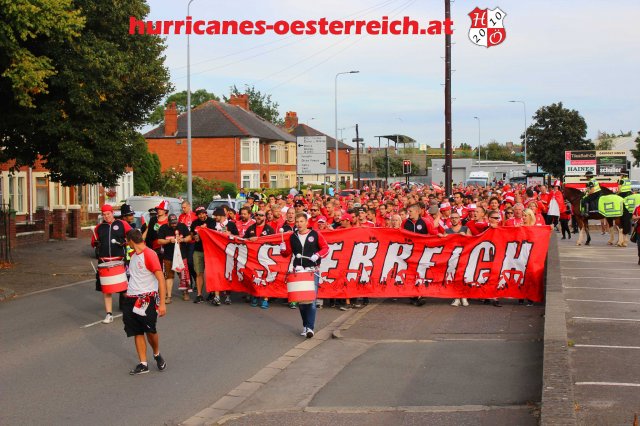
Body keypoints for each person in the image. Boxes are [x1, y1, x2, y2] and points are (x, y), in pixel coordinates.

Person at [123, 229, 167, 375]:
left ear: (131, 241)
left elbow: (161, 279)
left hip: (147, 298)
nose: (126, 243)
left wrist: (162, 304)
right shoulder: (133, 255)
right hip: (131, 298)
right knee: (137, 331)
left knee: (150, 330)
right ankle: (143, 363)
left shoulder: (149, 254)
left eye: (126, 241)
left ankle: (156, 353)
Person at [279, 213, 329, 338]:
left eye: (301, 221)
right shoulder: (292, 237)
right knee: (301, 301)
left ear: (307, 222)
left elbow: (326, 248)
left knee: (311, 300)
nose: (299, 224)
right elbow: (287, 254)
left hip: (312, 271)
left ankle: (310, 328)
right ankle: (305, 325)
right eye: (297, 221)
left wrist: (317, 255)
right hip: (298, 270)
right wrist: (282, 249)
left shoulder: (315, 234)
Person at [91, 204, 132, 324]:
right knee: (106, 290)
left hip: (119, 261)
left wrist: (125, 242)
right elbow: (93, 243)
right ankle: (109, 314)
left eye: (108, 214)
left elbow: (132, 237)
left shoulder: (122, 224)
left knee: (124, 289)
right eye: (104, 215)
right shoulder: (99, 228)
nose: (106, 216)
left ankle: (131, 310)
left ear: (112, 213)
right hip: (104, 262)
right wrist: (96, 244)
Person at [157, 214, 192, 303]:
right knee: (169, 276)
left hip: (181, 255)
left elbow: (189, 237)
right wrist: (169, 241)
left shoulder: (182, 226)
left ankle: (185, 292)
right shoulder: (163, 228)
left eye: (175, 223)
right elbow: (159, 240)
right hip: (168, 256)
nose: (174, 225)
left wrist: (183, 240)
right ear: (168, 222)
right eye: (172, 223)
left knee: (183, 275)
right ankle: (168, 296)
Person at [245, 210, 275, 309]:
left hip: (265, 258)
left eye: (261, 215)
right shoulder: (250, 228)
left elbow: (274, 242)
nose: (258, 217)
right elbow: (243, 240)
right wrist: (249, 239)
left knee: (266, 277)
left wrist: (257, 239)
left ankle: (265, 299)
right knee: (254, 276)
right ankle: (255, 295)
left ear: (265, 217)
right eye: (257, 215)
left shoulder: (270, 229)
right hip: (253, 257)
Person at [190, 206, 216, 303]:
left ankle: (212, 293)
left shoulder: (211, 222)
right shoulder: (194, 223)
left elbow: (214, 234)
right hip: (198, 250)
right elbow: (192, 235)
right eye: (199, 214)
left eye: (202, 213)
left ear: (206, 213)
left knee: (210, 273)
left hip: (210, 250)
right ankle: (199, 294)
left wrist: (204, 229)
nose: (201, 215)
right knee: (199, 272)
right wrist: (195, 236)